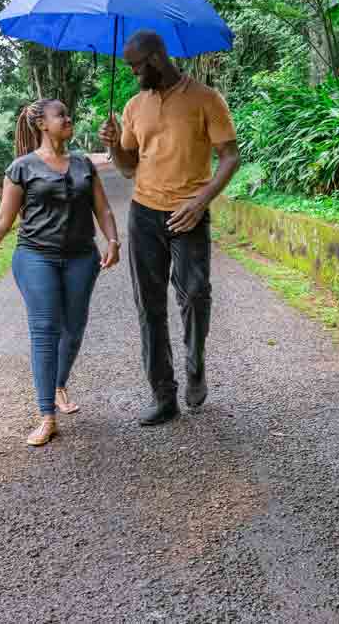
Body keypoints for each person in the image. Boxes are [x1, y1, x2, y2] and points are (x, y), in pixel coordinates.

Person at [0, 99, 121, 446]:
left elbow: (102, 210)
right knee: (45, 330)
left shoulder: (83, 164)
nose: (68, 118)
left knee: (73, 329)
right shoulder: (22, 168)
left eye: (68, 114)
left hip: (81, 258)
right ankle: (47, 416)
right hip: (35, 257)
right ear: (42, 124)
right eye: (61, 115)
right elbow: (2, 221)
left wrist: (113, 240)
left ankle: (58, 384)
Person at [99, 30, 240, 426]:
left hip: (189, 212)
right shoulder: (133, 106)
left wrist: (201, 201)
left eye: (136, 65)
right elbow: (128, 168)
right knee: (149, 305)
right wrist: (113, 145)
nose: (132, 72)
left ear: (157, 59)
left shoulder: (206, 99)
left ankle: (195, 362)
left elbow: (230, 156)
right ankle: (163, 395)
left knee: (194, 293)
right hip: (145, 212)